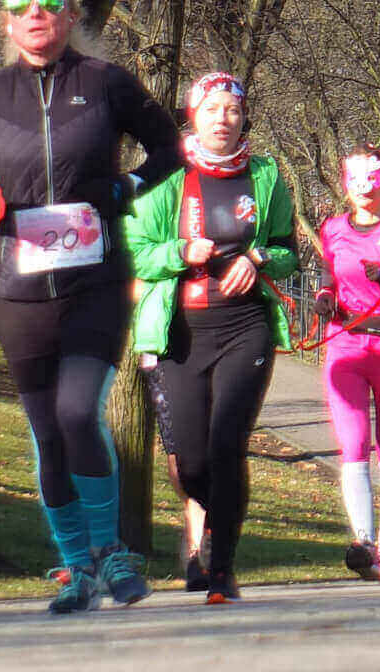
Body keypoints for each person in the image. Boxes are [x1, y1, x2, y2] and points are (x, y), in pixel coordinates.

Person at [0, 0, 182, 612]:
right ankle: (75, 567)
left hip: (94, 282)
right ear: (5, 21)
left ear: (70, 14)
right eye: (21, 5)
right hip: (19, 290)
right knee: (47, 432)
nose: (35, 14)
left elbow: (170, 149)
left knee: (79, 412)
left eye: (48, 1)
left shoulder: (106, 82)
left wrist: (125, 186)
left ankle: (108, 551)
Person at [123, 73, 295, 604]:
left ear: (244, 117)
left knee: (226, 445)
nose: (224, 118)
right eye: (212, 108)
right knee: (192, 461)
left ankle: (221, 566)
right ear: (192, 116)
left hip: (245, 328)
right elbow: (134, 250)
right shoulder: (164, 175)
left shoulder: (265, 175)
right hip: (180, 332)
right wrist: (180, 252)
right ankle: (215, 520)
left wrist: (258, 257)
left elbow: (288, 251)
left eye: (233, 109)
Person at [304, 144, 380, 582]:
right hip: (346, 345)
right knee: (353, 444)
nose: (364, 190)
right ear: (345, 183)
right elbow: (330, 273)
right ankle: (364, 541)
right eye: (355, 181)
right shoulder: (332, 229)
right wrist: (324, 296)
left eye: (373, 180)